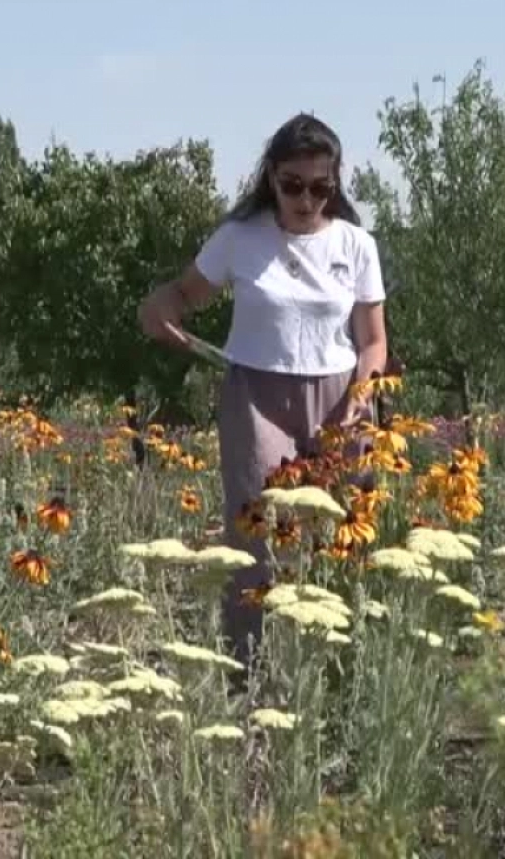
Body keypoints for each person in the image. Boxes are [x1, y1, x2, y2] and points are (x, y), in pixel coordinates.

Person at [137, 113, 388, 668]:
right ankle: (251, 675)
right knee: (258, 536)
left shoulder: (357, 245)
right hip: (256, 397)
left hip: (340, 400)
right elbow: (184, 294)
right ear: (271, 177)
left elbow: (374, 344)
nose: (306, 199)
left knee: (341, 532)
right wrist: (161, 311)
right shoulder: (239, 239)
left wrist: (359, 401)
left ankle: (340, 673)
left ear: (336, 183)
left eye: (321, 187)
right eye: (293, 184)